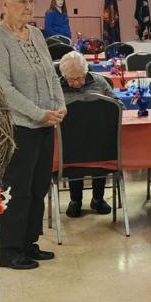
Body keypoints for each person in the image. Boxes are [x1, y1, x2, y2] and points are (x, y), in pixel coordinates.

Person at [0, 0, 69, 271]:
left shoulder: (35, 34)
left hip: (46, 125)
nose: (29, 6)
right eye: (23, 1)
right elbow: (1, 87)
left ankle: (29, 241)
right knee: (17, 190)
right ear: (4, 3)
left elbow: (51, 73)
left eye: (32, 0)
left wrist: (59, 105)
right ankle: (9, 249)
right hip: (20, 127)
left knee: (39, 186)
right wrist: (36, 112)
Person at [56, 51, 119, 217]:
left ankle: (98, 199)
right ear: (63, 75)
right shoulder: (55, 88)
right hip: (71, 141)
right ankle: (75, 200)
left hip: (99, 139)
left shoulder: (99, 82)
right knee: (75, 154)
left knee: (102, 149)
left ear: (86, 72)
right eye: (71, 79)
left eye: (80, 78)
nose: (76, 83)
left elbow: (118, 107)